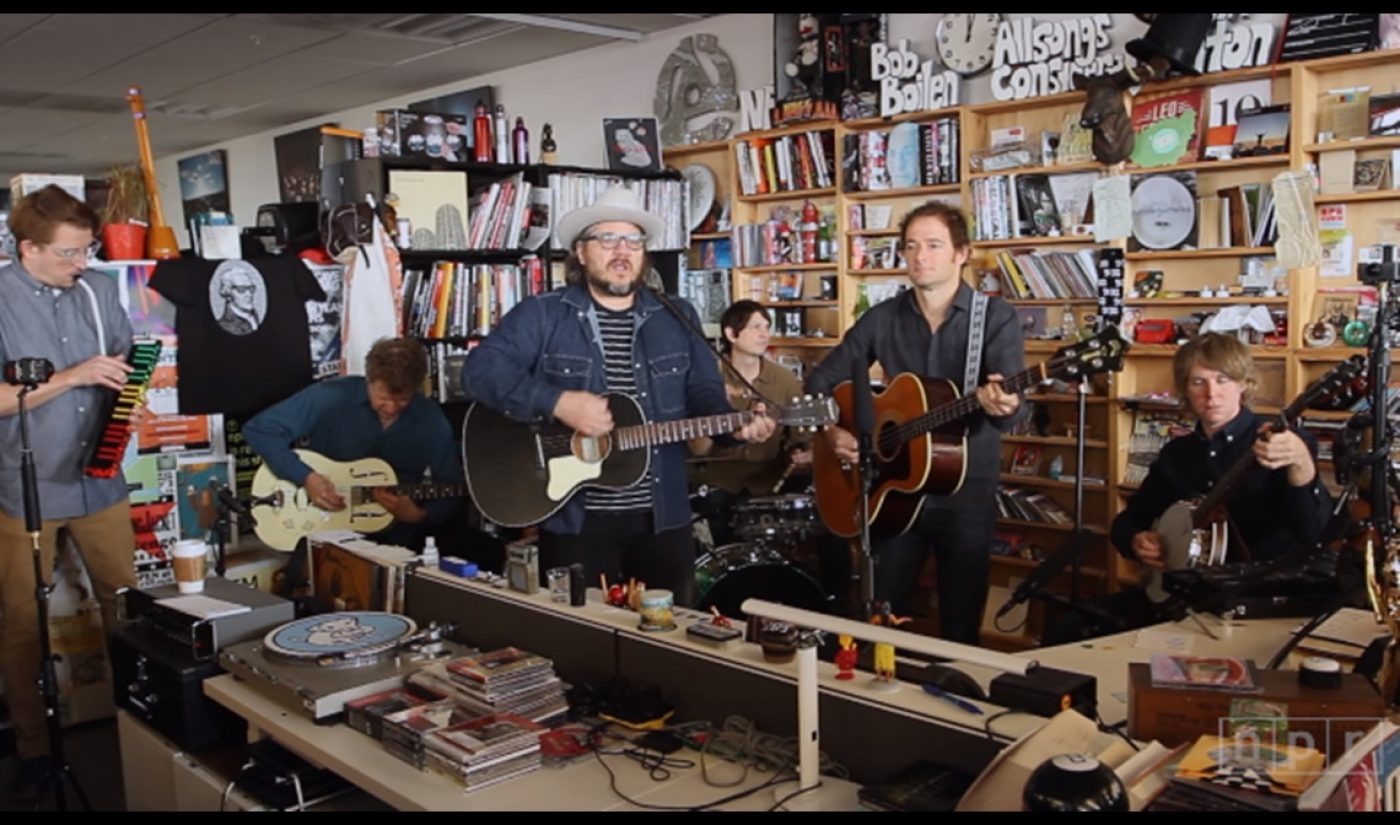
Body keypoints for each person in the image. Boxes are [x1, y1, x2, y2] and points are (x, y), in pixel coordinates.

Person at [462, 186, 775, 606]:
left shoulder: (677, 314)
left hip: (663, 516)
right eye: (608, 239)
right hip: (577, 520)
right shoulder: (545, 313)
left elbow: (704, 395)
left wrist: (736, 427)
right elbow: (479, 371)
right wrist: (558, 403)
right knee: (584, 643)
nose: (622, 251)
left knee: (672, 639)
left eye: (633, 241)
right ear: (581, 251)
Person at [806, 201, 1027, 644]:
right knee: (882, 623)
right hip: (891, 493)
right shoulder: (882, 319)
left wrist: (1004, 405)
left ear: (961, 253)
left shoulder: (995, 319)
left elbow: (1016, 411)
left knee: (960, 626)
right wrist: (832, 430)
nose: (920, 256)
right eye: (911, 246)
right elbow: (820, 380)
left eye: (933, 245)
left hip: (966, 493)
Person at [0, 185, 139, 800]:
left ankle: (140, 722)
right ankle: (33, 746)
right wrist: (73, 376)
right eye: (69, 253)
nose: (82, 263)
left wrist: (130, 401)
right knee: (22, 624)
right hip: (22, 485)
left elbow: (129, 363)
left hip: (102, 478)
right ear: (27, 247)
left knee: (127, 606)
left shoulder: (102, 287)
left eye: (87, 250)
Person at [1078, 333, 1334, 636]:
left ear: (1243, 384)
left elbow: (1315, 533)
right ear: (1186, 390)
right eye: (1199, 382)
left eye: (1223, 380)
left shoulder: (1280, 441)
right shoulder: (1177, 454)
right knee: (1074, 628)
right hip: (1188, 601)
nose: (1212, 394)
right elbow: (1126, 521)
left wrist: (1302, 464)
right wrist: (1136, 540)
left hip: (1263, 602)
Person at [244, 337, 468, 594]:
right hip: (322, 532)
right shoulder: (331, 397)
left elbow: (451, 486)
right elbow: (260, 430)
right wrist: (306, 477)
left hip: (393, 545)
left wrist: (418, 515)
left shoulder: (430, 419)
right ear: (369, 380)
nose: (391, 408)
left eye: (402, 401)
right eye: (383, 397)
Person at [688, 301, 813, 535]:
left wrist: (804, 454)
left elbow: (800, 440)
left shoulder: (785, 380)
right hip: (715, 484)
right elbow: (698, 450)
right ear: (731, 334)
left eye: (767, 327)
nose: (764, 334)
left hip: (769, 483)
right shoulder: (705, 379)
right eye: (756, 327)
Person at [213, 265, 262, 335]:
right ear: (228, 293)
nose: (249, 294)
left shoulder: (256, 318)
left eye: (251, 288)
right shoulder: (224, 326)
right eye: (241, 289)